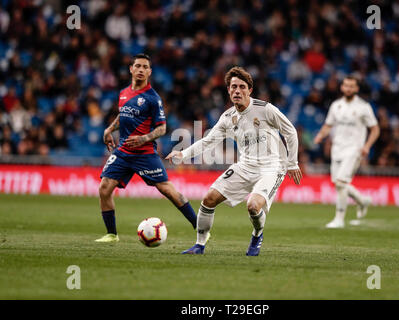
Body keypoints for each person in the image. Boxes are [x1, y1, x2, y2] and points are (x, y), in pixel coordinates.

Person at [166, 66, 302, 255]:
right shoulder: (228, 118)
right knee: (208, 198)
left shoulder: (265, 109)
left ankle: (257, 234)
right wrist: (183, 154)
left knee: (253, 206)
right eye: (233, 87)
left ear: (250, 90)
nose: (237, 91)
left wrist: (292, 163)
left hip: (272, 167)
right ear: (228, 90)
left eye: (242, 87)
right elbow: (208, 141)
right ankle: (199, 245)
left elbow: (290, 131)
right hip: (245, 166)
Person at [95, 53, 197, 242]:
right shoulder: (124, 93)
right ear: (131, 69)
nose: (141, 70)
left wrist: (144, 139)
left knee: (167, 190)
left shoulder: (152, 98)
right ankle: (111, 234)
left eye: (145, 67)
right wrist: (109, 129)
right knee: (104, 188)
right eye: (138, 66)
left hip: (144, 153)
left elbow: (162, 128)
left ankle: (199, 227)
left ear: (149, 72)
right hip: (123, 151)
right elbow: (123, 115)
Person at [313, 75, 380, 228]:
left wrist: (367, 146)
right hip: (337, 148)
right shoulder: (336, 105)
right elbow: (328, 125)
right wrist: (320, 136)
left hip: (354, 149)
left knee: (341, 182)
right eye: (346, 85)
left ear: (356, 89)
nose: (348, 88)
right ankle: (362, 201)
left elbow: (375, 129)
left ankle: (339, 219)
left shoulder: (364, 107)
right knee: (338, 183)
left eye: (351, 86)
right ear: (342, 87)